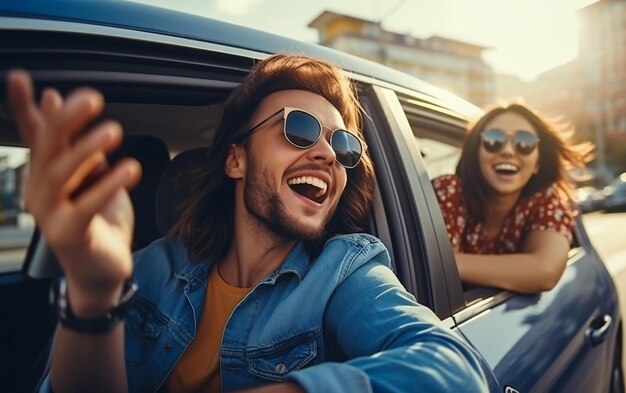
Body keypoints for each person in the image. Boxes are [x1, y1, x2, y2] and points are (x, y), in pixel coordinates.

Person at [8, 54, 488, 393]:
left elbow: (458, 372)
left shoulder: (345, 271)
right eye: (298, 128)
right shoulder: (153, 269)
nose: (326, 154)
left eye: (344, 147)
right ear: (236, 160)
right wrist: (92, 295)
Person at [432, 102, 591, 294]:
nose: (507, 150)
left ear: (537, 163)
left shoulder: (545, 203)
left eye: (525, 143)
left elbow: (545, 270)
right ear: (476, 154)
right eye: (493, 140)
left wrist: (448, 264)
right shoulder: (450, 192)